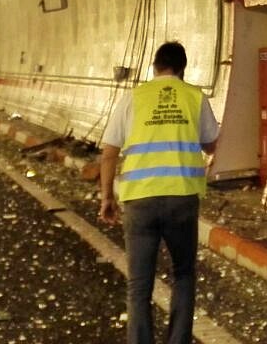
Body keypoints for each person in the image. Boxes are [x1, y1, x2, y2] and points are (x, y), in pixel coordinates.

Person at [99, 41, 220, 344]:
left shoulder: (133, 98)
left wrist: (106, 198)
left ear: (154, 67)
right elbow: (211, 144)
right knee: (183, 275)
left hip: (139, 201)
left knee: (139, 284)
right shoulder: (195, 97)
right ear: (182, 69)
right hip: (181, 198)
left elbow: (109, 152)